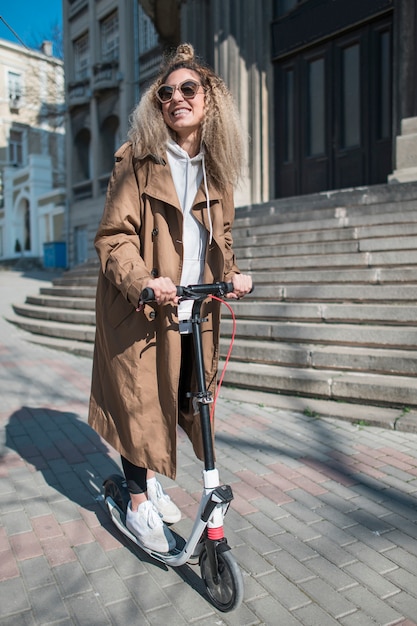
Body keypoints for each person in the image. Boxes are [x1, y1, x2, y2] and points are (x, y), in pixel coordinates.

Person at [88, 43, 253, 553]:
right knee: (140, 401)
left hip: (194, 308)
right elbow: (114, 236)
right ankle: (137, 500)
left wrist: (233, 272)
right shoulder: (137, 159)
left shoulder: (216, 169)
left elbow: (220, 238)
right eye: (167, 92)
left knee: (182, 399)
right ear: (156, 105)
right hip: (140, 307)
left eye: (188, 89)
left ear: (210, 98)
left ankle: (151, 480)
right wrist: (142, 280)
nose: (177, 98)